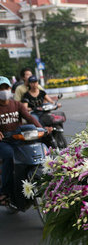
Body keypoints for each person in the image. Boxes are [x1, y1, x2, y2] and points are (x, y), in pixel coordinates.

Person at [0, 76, 43, 206]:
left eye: (6, 87)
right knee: (9, 156)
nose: (4, 91)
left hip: (18, 138)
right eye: (1, 88)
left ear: (10, 89)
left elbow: (29, 117)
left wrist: (41, 128)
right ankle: (5, 191)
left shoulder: (17, 104)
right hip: (4, 141)